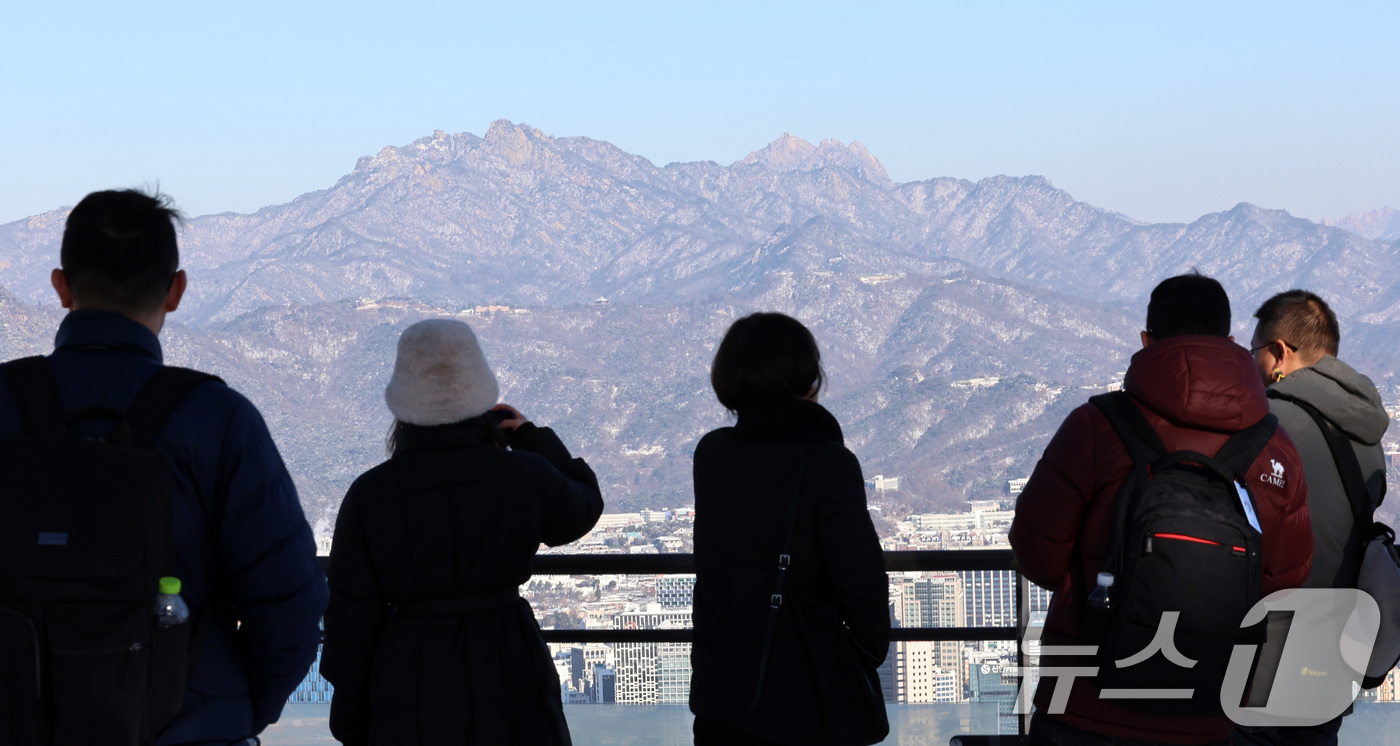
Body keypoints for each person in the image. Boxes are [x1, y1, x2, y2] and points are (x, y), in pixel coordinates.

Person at [0, 189, 328, 744]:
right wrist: (237, 710)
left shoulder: (6, 402)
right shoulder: (217, 418)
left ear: (61, 286)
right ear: (176, 290)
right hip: (188, 723)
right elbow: (290, 600)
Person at [1010, 272, 1314, 745]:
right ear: (1230, 342)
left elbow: (1036, 554)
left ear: (1147, 340)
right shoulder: (1274, 448)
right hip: (1209, 708)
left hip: (1085, 706)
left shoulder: (1095, 428)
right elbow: (1285, 582)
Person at [320, 318, 603, 746]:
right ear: (481, 396)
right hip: (511, 667)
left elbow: (350, 626)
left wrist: (353, 724)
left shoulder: (369, 495)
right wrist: (530, 437)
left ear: (403, 401)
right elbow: (582, 508)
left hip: (409, 679)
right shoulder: (522, 476)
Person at [689, 312, 890, 746]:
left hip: (724, 693)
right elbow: (860, 580)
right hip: (808, 698)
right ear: (809, 379)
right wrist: (864, 654)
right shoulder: (827, 463)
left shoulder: (712, 456)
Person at [1231, 290, 1389, 746]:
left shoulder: (1269, 426)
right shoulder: (1368, 436)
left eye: (1254, 353)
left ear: (1279, 352)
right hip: (1338, 645)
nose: (1254, 367)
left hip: (1269, 647)